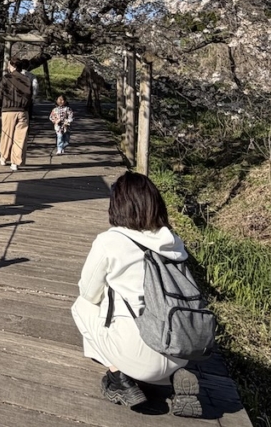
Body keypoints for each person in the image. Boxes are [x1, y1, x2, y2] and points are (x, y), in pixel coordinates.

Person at [70, 172, 202, 417]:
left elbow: (87, 292)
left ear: (118, 204)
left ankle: (118, 375)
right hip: (182, 348)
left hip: (137, 355)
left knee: (80, 306)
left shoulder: (110, 241)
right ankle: (173, 375)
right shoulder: (173, 241)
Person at [0, 59, 33, 170]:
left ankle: (4, 157)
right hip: (23, 111)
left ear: (12, 66)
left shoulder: (7, 78)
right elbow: (30, 97)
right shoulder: (27, 79)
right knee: (20, 138)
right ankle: (15, 162)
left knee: (7, 135)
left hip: (8, 110)